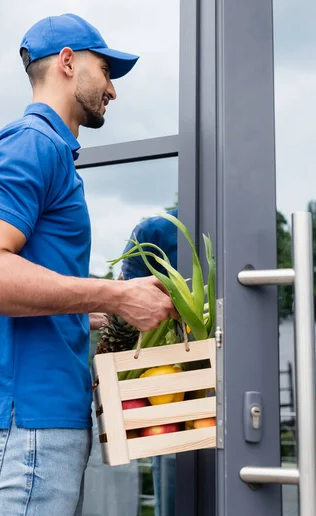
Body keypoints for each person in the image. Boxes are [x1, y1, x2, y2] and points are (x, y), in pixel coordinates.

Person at [0, 13, 179, 516]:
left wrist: (84, 313)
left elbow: (19, 282)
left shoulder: (46, 150)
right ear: (68, 63)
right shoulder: (33, 143)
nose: (112, 89)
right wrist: (115, 295)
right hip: (26, 426)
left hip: (30, 425)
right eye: (106, 70)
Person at [121, 208, 178, 516]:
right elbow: (128, 310)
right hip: (167, 388)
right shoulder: (155, 232)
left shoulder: (246, 232)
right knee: (174, 484)